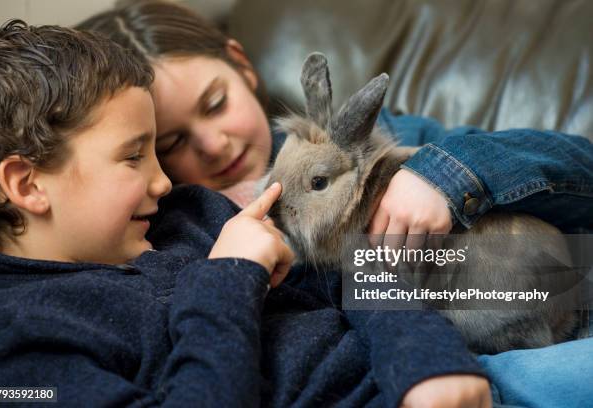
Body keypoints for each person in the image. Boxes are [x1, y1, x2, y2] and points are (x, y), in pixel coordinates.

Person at [76, 1, 593, 407]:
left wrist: (448, 176)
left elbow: (578, 171)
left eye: (217, 104)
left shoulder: (386, 141)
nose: (215, 145)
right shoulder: (185, 232)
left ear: (241, 65)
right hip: (456, 367)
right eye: (171, 143)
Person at [0, 20, 493, 407]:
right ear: (27, 185)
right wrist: (229, 278)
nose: (165, 181)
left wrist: (427, 363)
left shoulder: (186, 214)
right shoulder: (11, 352)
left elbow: (348, 276)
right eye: (136, 155)